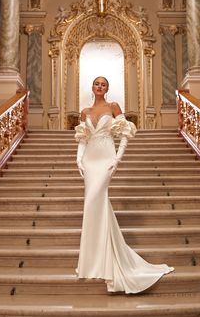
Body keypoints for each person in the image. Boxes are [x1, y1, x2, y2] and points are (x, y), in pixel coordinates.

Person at [74, 76, 174, 294]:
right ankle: (94, 262)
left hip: (107, 157)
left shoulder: (113, 106)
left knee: (95, 203)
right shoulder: (85, 112)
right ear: (92, 87)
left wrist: (118, 158)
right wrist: (78, 159)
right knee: (94, 206)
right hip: (90, 161)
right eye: (96, 84)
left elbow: (126, 132)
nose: (99, 87)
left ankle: (106, 262)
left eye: (103, 84)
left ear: (107, 88)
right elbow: (83, 138)